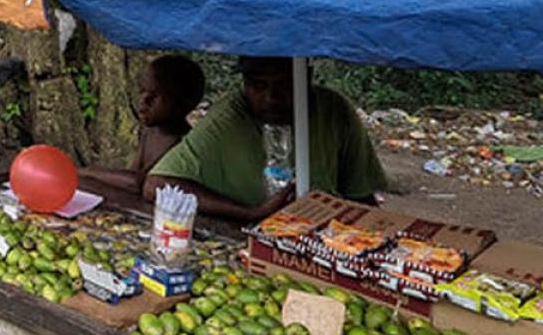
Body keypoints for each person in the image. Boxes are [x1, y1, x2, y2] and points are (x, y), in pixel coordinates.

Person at [145, 56, 388, 222]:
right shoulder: (229, 116)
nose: (271, 98)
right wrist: (251, 213)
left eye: (284, 85)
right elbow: (156, 185)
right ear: (244, 85)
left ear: (307, 77)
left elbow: (361, 194)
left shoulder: (334, 110)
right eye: (258, 86)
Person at [85, 56, 206, 196]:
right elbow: (132, 174)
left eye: (154, 96)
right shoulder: (151, 132)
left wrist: (88, 172)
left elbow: (139, 183)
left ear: (181, 104)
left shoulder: (183, 144)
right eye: (142, 91)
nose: (143, 101)